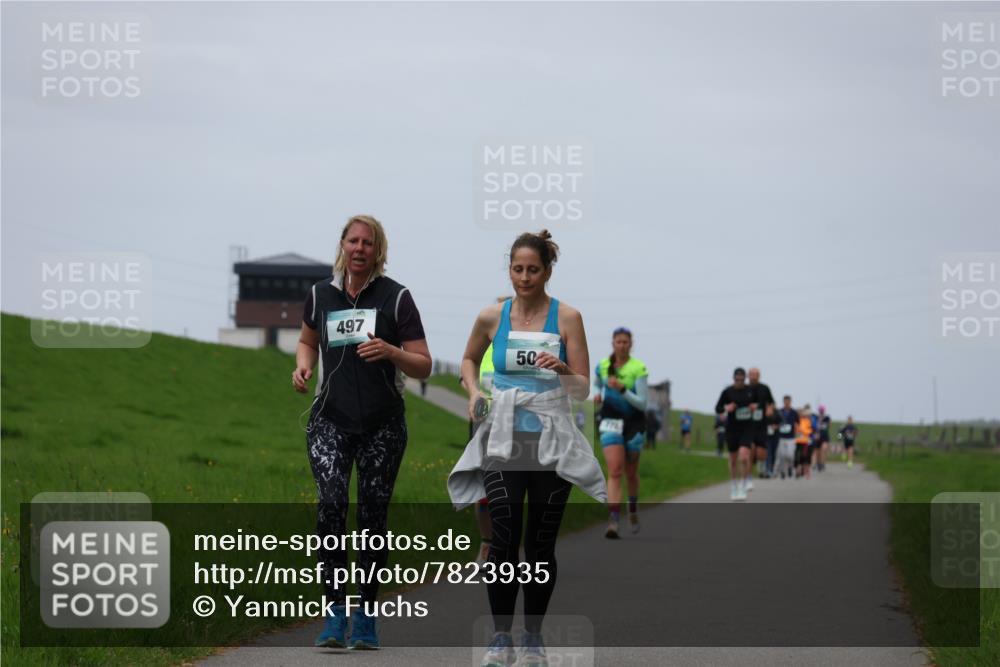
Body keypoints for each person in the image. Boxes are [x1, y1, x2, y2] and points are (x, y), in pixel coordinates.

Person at [448, 230, 607, 667]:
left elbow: (582, 388)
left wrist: (563, 369)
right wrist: (474, 391)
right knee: (503, 539)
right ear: (510, 270)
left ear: (548, 271)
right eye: (517, 269)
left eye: (532, 270)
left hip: (551, 441)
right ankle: (501, 638)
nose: (524, 277)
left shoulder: (568, 318)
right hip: (504, 438)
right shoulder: (491, 317)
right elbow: (468, 359)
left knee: (540, 544)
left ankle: (533, 638)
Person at [292, 214, 432, 650]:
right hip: (329, 420)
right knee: (331, 505)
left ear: (378, 250)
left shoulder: (396, 298)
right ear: (342, 245)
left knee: (372, 518)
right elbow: (307, 340)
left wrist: (391, 351)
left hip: (382, 425)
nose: (359, 249)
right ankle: (335, 613)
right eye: (352, 241)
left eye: (367, 243)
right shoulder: (321, 294)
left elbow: (423, 364)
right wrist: (303, 366)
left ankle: (366, 616)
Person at [594, 327, 649, 537]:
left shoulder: (638, 368)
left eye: (626, 342)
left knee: (631, 472)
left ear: (631, 344)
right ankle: (614, 520)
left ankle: (632, 508)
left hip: (634, 424)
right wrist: (598, 394)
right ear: (613, 343)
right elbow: (597, 384)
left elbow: (642, 403)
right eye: (619, 341)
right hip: (610, 421)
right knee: (615, 470)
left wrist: (622, 389)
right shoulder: (603, 365)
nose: (622, 345)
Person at [715, 367, 757, 501]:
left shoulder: (751, 391)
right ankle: (734, 486)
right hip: (732, 428)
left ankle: (742, 485)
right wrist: (726, 408)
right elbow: (718, 408)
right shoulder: (727, 392)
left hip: (747, 428)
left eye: (741, 379)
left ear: (745, 379)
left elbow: (759, 404)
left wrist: (754, 407)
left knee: (743, 456)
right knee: (733, 460)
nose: (739, 381)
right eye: (736, 379)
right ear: (733, 378)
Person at [774, 395, 799, 479]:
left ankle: (790, 467)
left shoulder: (794, 412)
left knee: (790, 455)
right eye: (785, 401)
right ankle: (782, 471)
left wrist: (796, 428)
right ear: (783, 402)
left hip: (790, 437)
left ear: (790, 402)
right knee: (782, 455)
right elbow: (776, 422)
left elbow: (797, 423)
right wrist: (777, 426)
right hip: (781, 437)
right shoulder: (779, 412)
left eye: (788, 401)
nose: (787, 403)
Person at [795, 406, 814, 479]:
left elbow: (809, 431)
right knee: (797, 457)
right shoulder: (796, 421)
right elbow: (795, 430)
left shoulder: (807, 421)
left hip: (805, 442)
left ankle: (806, 471)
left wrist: (802, 430)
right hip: (797, 441)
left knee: (805, 457)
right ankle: (798, 470)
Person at [816, 405, 832, 472]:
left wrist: (824, 422)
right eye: (820, 410)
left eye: (822, 410)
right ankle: (818, 463)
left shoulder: (827, 418)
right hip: (818, 437)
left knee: (823, 450)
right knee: (818, 452)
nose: (821, 412)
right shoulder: (816, 417)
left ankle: (823, 463)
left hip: (825, 436)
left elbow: (830, 425)